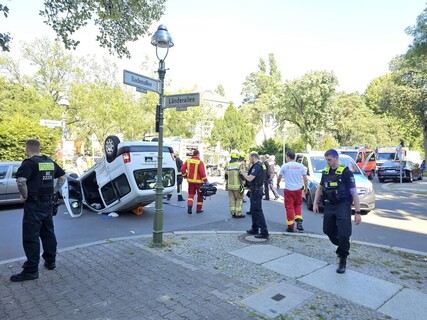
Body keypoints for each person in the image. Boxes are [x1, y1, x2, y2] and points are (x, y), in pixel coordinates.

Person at [10, 139, 67, 282]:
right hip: (47, 203)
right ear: (39, 148)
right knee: (48, 233)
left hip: (34, 205)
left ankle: (31, 271)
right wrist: (54, 191)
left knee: (31, 237)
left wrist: (24, 196)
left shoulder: (29, 163)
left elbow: (21, 180)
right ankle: (50, 261)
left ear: (26, 148)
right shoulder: (49, 161)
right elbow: (63, 177)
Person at [312, 149, 362, 274]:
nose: (327, 162)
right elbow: (320, 188)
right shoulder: (326, 172)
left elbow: (354, 192)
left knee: (344, 234)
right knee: (327, 230)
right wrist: (314, 203)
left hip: (343, 206)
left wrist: (357, 212)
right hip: (329, 205)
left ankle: (342, 259)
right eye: (326, 160)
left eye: (329, 160)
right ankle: (343, 244)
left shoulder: (345, 172)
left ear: (335, 158)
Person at [277, 150, 308, 232]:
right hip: (298, 189)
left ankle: (290, 226)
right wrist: (305, 188)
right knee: (298, 205)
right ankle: (299, 220)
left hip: (288, 190)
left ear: (287, 157)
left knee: (289, 207)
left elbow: (279, 177)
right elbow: (305, 178)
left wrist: (277, 184)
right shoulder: (300, 166)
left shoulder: (284, 166)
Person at [240, 151, 269, 239]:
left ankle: (264, 231)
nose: (249, 159)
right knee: (254, 210)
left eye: (250, 158)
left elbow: (250, 178)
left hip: (256, 190)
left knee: (257, 211)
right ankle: (255, 228)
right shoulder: (261, 165)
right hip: (256, 190)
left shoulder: (257, 166)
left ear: (253, 157)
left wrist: (243, 173)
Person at [181, 149, 208, 214]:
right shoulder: (200, 162)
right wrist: (206, 181)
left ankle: (190, 205)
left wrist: (185, 176)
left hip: (190, 182)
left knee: (191, 194)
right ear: (198, 154)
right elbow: (202, 173)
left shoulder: (188, 161)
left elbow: (182, 169)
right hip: (199, 182)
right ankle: (198, 209)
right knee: (200, 195)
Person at [225, 151, 245, 218]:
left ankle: (233, 213)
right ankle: (238, 214)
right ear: (237, 158)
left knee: (232, 199)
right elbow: (241, 175)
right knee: (239, 199)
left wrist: (226, 184)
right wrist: (244, 183)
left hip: (230, 186)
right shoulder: (239, 165)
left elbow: (226, 176)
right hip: (238, 186)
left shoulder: (228, 165)